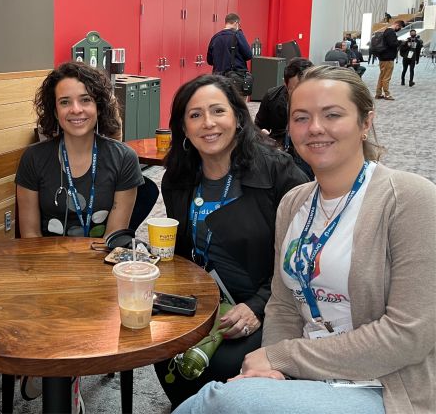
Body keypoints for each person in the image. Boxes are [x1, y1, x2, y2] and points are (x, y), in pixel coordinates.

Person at [172, 65, 436, 414]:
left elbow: (408, 335)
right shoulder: (295, 204)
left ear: (365, 122)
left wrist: (281, 356)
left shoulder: (409, 198)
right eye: (301, 117)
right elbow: (283, 305)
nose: (315, 128)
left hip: (383, 385)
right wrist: (272, 371)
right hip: (307, 375)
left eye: (332, 114)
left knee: (217, 402)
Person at [153, 75, 309, 410]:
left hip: (270, 305)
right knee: (163, 345)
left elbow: (303, 259)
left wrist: (256, 306)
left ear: (238, 117)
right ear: (183, 127)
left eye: (217, 111)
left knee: (226, 364)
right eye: (194, 115)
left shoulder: (279, 173)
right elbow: (181, 252)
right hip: (202, 300)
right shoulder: (178, 179)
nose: (207, 124)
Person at [16, 61, 143, 239]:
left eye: (85, 100)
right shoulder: (33, 158)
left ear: (99, 107)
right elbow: (30, 234)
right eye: (65, 102)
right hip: (46, 263)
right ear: (55, 111)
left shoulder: (123, 159)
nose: (76, 109)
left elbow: (113, 238)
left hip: (100, 263)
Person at [254, 57, 313, 145]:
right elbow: (258, 127)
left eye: (308, 88)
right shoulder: (272, 97)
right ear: (285, 84)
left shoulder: (322, 100)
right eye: (296, 89)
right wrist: (264, 136)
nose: (303, 94)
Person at [206, 13, 252, 83]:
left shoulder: (215, 37)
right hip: (235, 79)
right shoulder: (238, 35)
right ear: (236, 23)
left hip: (218, 79)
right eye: (239, 25)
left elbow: (209, 61)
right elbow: (249, 55)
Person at [374, 19, 404, 100]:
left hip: (383, 57)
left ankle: (378, 93)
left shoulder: (386, 31)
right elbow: (392, 44)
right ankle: (387, 94)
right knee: (387, 77)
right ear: (397, 25)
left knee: (382, 76)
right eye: (400, 27)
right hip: (388, 58)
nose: (399, 29)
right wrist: (400, 42)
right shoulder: (391, 32)